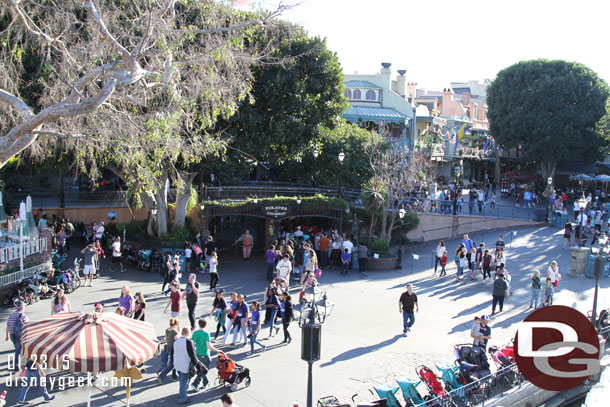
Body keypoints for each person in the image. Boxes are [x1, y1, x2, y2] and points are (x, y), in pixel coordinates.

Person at [171, 327, 199, 404]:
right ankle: (182, 397)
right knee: (184, 380)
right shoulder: (188, 342)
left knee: (182, 379)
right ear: (188, 333)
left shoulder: (176, 342)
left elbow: (172, 353)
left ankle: (183, 394)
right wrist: (196, 363)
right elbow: (192, 355)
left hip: (177, 364)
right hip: (185, 364)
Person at [191, 319, 219, 391]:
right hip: (205, 354)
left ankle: (205, 383)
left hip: (197, 354)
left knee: (200, 370)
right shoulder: (206, 334)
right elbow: (209, 346)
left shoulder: (195, 333)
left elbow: (192, 344)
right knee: (203, 371)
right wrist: (217, 350)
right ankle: (195, 383)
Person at [6, 301, 27, 371]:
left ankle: (20, 364)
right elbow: (26, 325)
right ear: (22, 307)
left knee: (18, 350)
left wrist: (7, 335)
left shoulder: (11, 315)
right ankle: (16, 367)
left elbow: (8, 325)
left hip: (12, 335)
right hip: (19, 335)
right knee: (18, 352)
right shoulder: (22, 315)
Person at [157, 318, 180, 382]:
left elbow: (166, 339)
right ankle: (161, 376)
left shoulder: (167, 330)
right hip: (173, 349)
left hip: (168, 348)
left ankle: (174, 376)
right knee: (172, 364)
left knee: (172, 362)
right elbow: (177, 340)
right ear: (176, 324)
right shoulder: (175, 332)